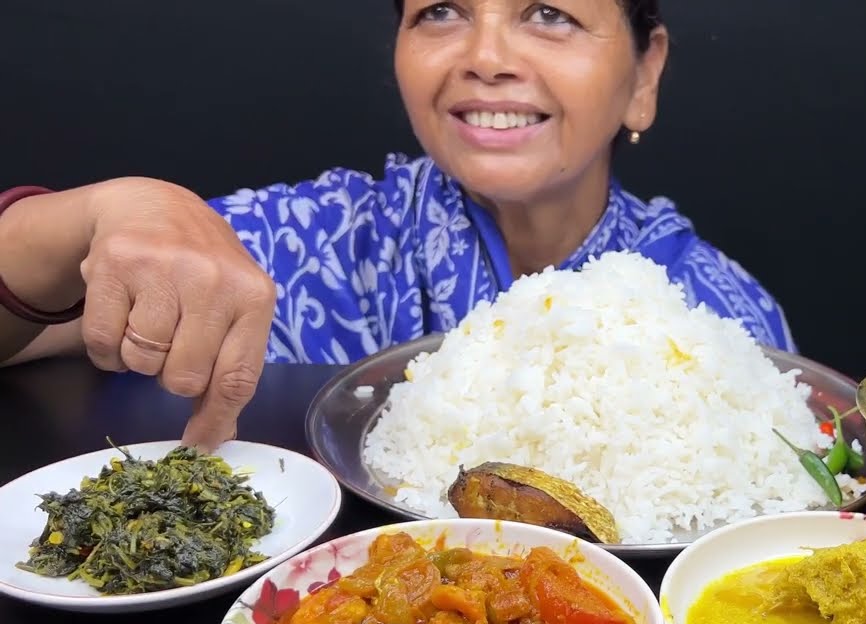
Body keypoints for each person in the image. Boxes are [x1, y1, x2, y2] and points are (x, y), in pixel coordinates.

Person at [0, 0, 794, 450]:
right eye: (441, 12)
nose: (485, 57)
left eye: (548, 14)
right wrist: (106, 208)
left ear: (643, 74)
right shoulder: (312, 239)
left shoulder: (722, 319)